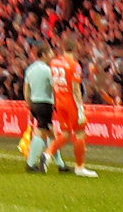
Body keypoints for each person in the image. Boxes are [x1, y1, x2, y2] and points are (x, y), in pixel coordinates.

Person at [53, 45, 94, 177]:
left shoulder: (54, 62)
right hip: (71, 103)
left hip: (59, 101)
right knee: (80, 133)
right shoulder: (74, 65)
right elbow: (76, 88)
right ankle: (80, 167)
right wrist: (81, 108)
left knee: (65, 133)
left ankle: (47, 155)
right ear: (75, 50)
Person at [21, 45, 59, 173]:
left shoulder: (30, 69)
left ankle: (61, 164)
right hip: (45, 103)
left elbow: (26, 90)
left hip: (35, 103)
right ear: (44, 54)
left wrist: (29, 105)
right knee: (42, 131)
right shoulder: (47, 70)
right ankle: (31, 163)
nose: (53, 55)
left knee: (50, 132)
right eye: (50, 52)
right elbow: (55, 88)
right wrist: (58, 103)